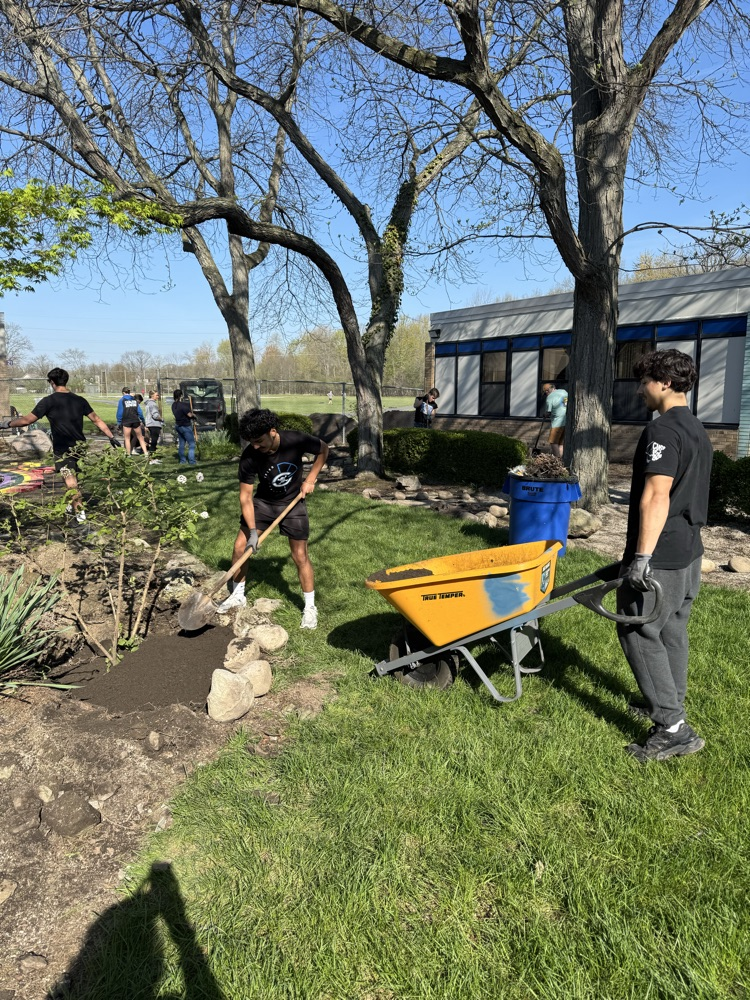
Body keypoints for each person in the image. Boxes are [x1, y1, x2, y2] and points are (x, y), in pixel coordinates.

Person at [616, 349, 712, 763]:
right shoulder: (695, 428)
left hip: (664, 553)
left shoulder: (662, 431)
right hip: (689, 551)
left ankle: (672, 728)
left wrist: (641, 557)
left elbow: (657, 496)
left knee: (637, 629)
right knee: (672, 630)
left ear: (665, 383)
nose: (641, 390)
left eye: (645, 382)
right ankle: (669, 701)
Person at [216, 408, 329, 629]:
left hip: (293, 501)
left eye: (259, 440)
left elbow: (323, 450)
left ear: (273, 431)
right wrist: (251, 533)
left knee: (299, 555)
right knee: (240, 546)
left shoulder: (295, 440)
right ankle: (238, 595)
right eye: (252, 442)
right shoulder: (250, 456)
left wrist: (311, 479)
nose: (256, 446)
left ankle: (309, 607)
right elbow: (245, 497)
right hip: (264, 504)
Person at [0, 367, 121, 520]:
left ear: (52, 382)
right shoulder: (79, 400)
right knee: (72, 479)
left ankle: (80, 516)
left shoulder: (48, 401)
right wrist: (111, 437)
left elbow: (27, 420)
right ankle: (72, 506)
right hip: (80, 447)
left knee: (70, 481)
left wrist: (6, 424)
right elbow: (96, 419)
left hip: (63, 448)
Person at [116, 387, 149, 456]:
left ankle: (128, 454)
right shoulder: (134, 400)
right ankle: (146, 453)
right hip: (135, 420)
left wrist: (119, 422)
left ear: (123, 393)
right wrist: (143, 420)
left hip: (126, 421)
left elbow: (120, 412)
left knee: (127, 438)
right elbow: (140, 412)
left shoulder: (122, 400)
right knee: (140, 437)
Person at [541, 382, 568, 460]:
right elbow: (565, 404)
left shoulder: (550, 397)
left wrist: (544, 415)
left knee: (553, 442)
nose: (546, 394)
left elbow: (548, 412)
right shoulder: (564, 392)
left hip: (557, 423)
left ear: (547, 391)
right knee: (560, 443)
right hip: (566, 421)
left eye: (545, 392)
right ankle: (561, 461)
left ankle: (557, 460)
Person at [171, 389, 196, 466]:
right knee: (191, 444)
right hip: (185, 426)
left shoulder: (173, 405)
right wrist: (194, 415)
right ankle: (191, 461)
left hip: (178, 426)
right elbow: (189, 415)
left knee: (182, 443)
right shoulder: (183, 405)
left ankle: (182, 460)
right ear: (181, 395)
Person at [144, 390, 164, 463]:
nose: (158, 397)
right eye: (157, 395)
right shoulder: (152, 404)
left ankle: (152, 457)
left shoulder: (148, 404)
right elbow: (155, 415)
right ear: (152, 396)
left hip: (149, 424)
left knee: (153, 441)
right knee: (154, 442)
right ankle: (151, 459)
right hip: (154, 424)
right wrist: (161, 419)